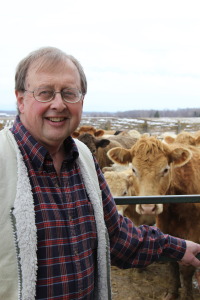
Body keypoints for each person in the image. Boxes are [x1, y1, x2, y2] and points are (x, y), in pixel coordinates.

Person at [0, 47, 200, 300]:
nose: (59, 104)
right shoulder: (2, 160)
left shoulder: (84, 159)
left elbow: (114, 235)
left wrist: (177, 247)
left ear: (81, 101)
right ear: (20, 99)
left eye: (69, 93)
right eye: (45, 93)